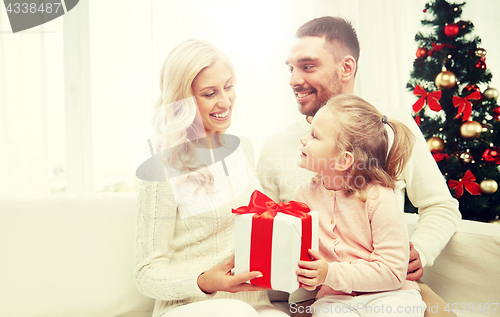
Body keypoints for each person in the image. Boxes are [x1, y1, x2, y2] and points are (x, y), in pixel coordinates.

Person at [257, 17, 461, 316]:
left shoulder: (390, 125)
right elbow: (268, 234)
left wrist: (420, 250)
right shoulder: (277, 145)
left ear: (346, 68)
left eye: (308, 66)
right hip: (323, 296)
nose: (293, 80)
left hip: (388, 287)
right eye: (291, 68)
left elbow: (441, 206)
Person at [134, 39, 288, 317]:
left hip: (254, 304)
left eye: (229, 87)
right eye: (209, 93)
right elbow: (146, 273)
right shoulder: (161, 169)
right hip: (190, 306)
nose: (225, 101)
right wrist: (203, 281)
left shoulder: (244, 148)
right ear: (182, 102)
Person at [294, 94, 426, 316]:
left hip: (390, 294)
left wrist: (330, 273)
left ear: (343, 160)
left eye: (315, 136)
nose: (304, 140)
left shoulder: (378, 196)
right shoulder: (303, 195)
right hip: (334, 298)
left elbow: (393, 273)